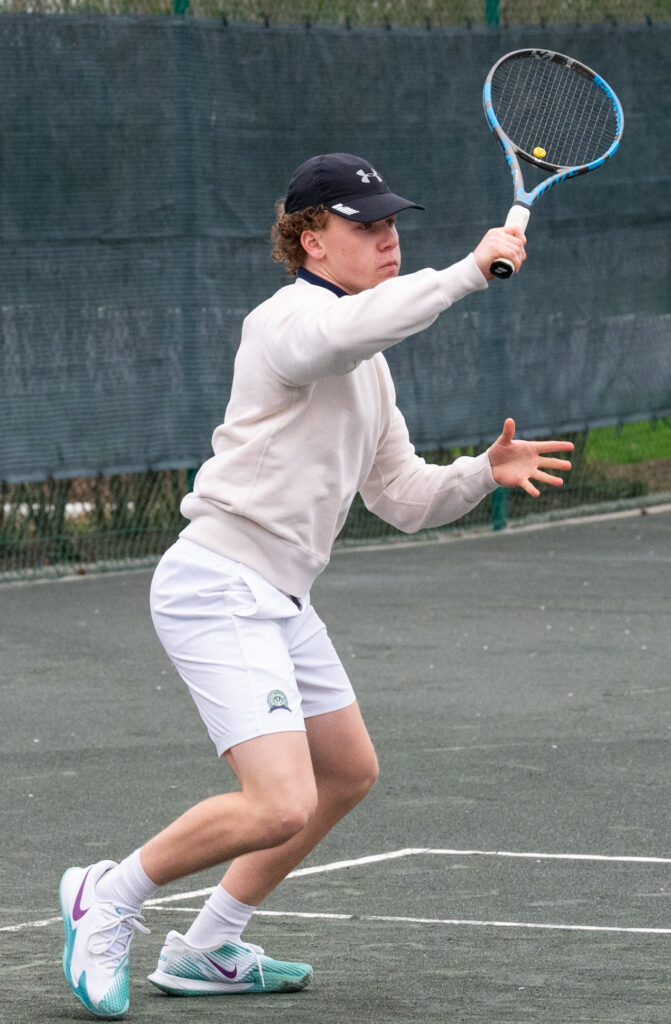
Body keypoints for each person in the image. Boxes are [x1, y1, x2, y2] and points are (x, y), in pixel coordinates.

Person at [59, 152, 573, 1018]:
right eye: (364, 226)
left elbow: (400, 497)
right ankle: (106, 895)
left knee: (344, 773)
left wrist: (481, 472)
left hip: (282, 598)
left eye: (391, 224)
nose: (387, 238)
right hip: (218, 584)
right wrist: (466, 274)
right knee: (279, 801)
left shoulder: (369, 364)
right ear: (308, 239)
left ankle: (209, 944)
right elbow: (345, 333)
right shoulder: (288, 322)